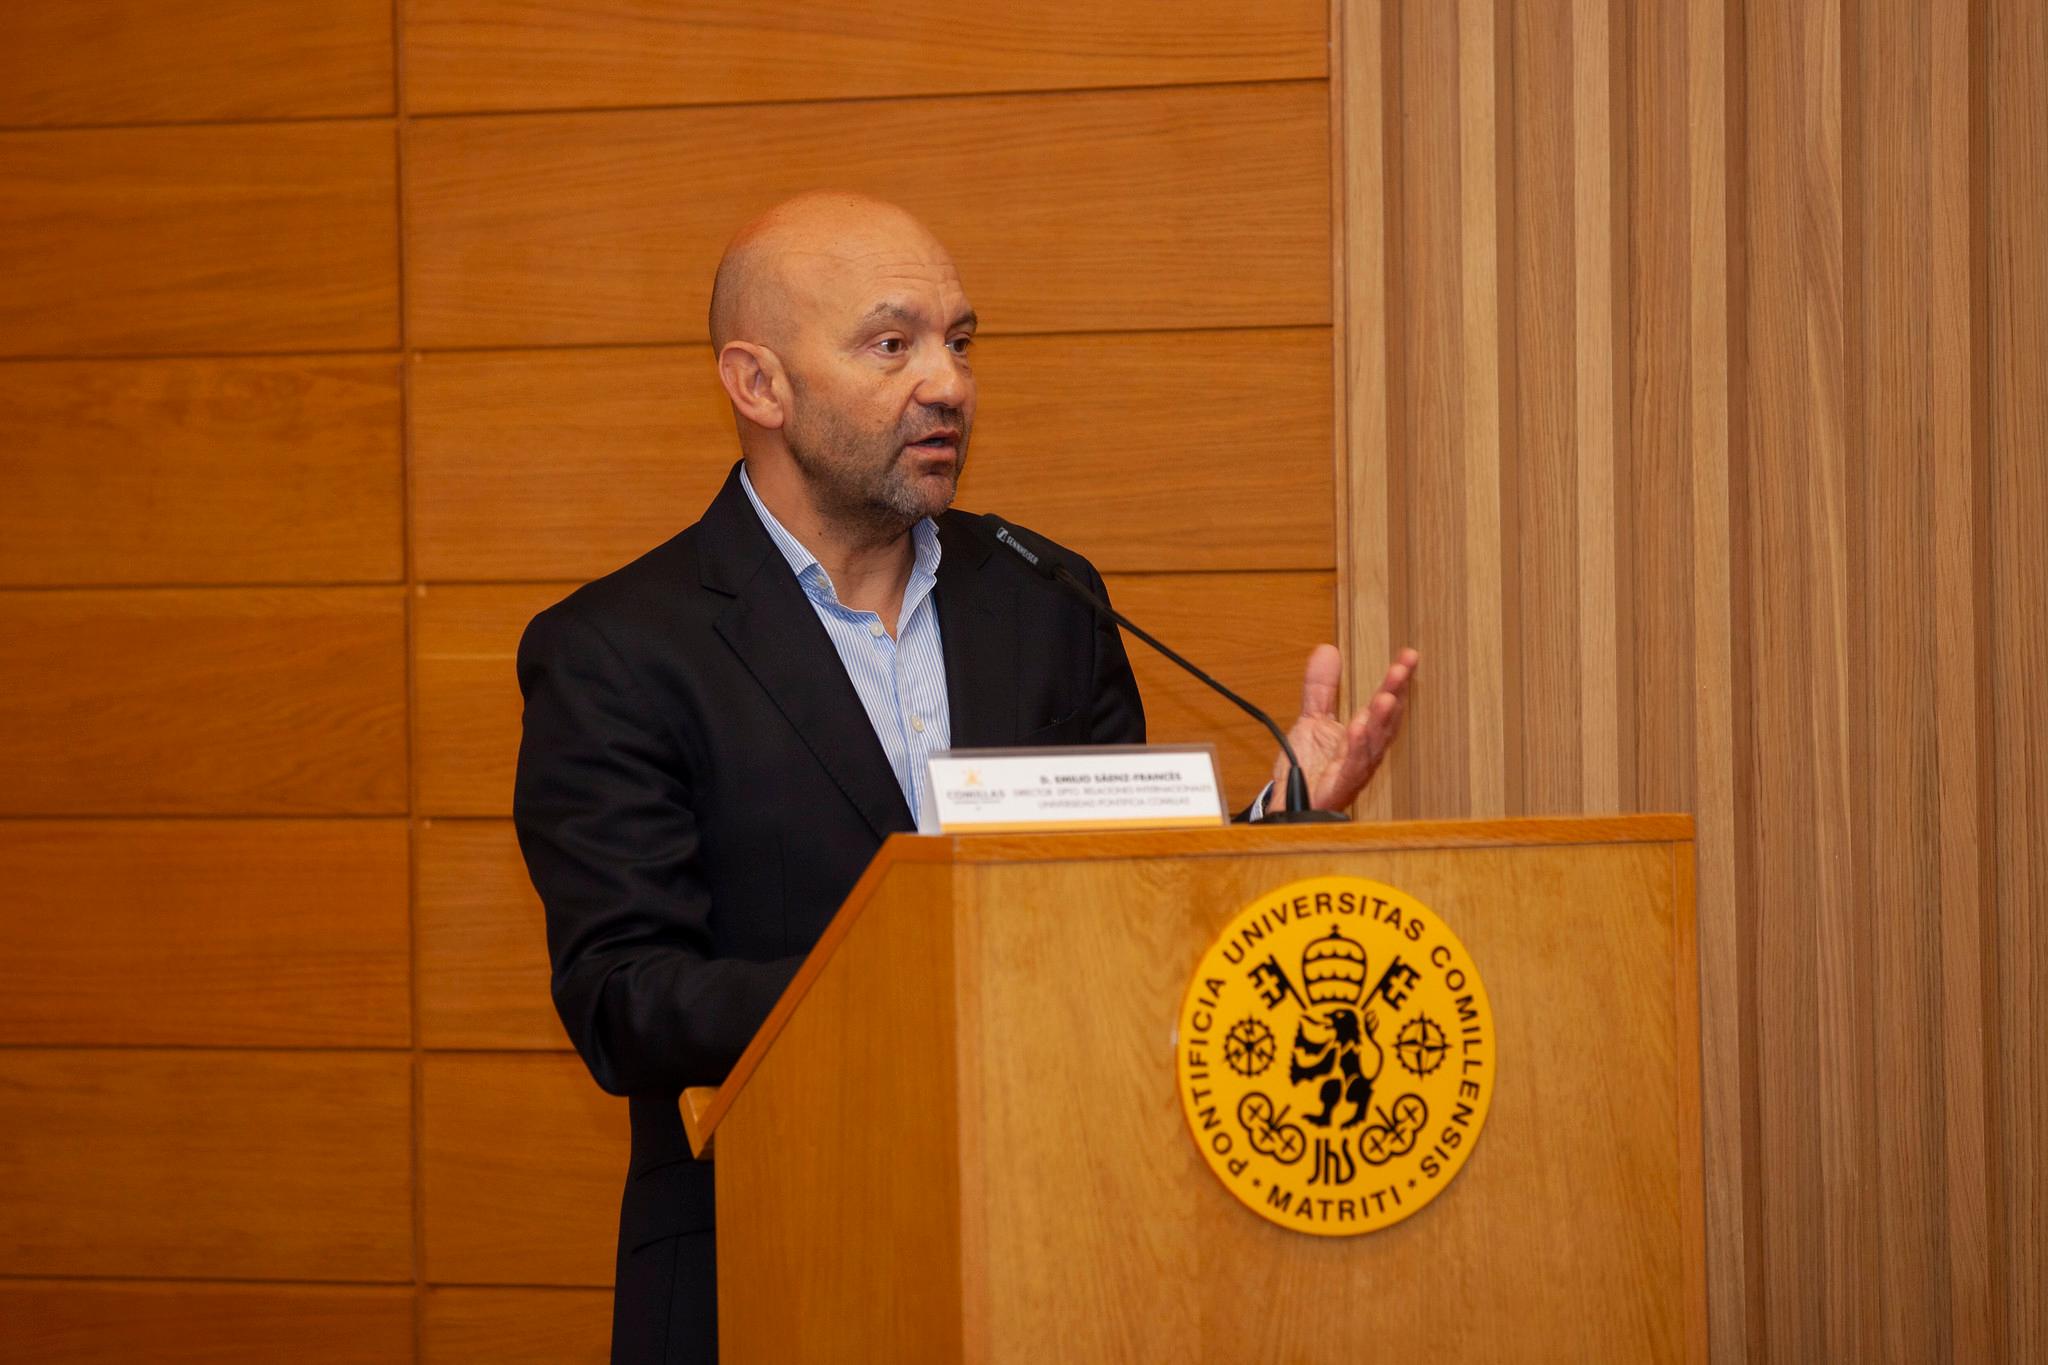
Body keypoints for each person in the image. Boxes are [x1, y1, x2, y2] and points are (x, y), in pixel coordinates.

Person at [512, 191, 1417, 1365]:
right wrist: (925, 968)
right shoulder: (620, 649)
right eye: (891, 345)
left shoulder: (1044, 596)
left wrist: (1269, 823)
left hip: (1071, 1259)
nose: (945, 382)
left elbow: (1121, 919)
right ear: (758, 385)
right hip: (780, 1271)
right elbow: (625, 1005)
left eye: (959, 341)